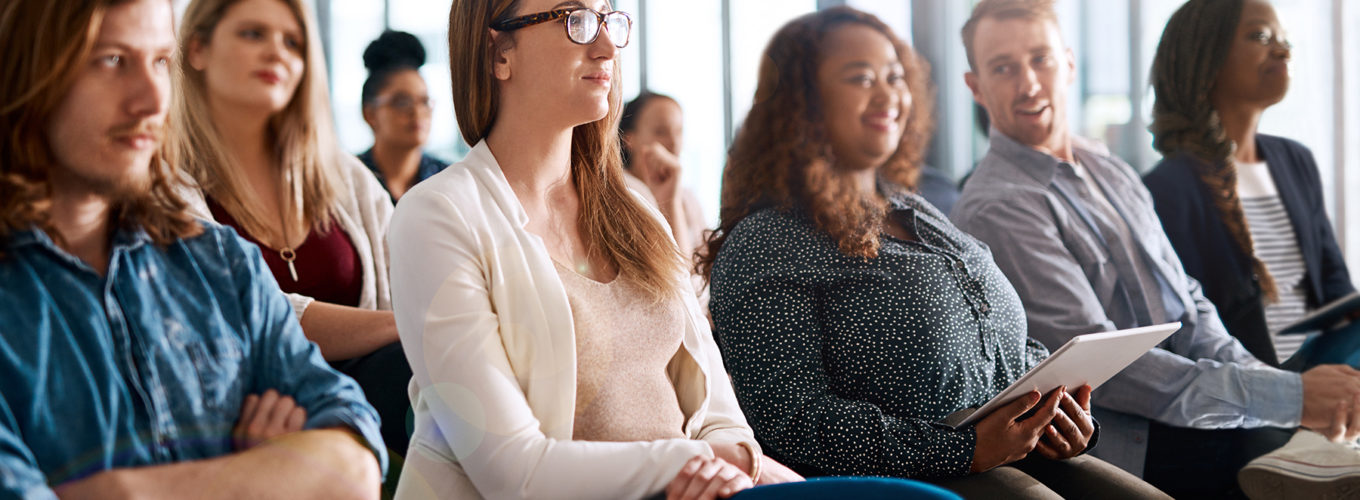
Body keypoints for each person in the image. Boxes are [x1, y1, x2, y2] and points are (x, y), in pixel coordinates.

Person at [386, 1, 957, 499]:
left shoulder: (632, 205)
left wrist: (723, 455)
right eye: (576, 20)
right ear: (497, 54)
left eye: (610, 17)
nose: (608, 43)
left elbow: (716, 406)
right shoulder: (436, 217)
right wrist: (691, 463)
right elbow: (512, 472)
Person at [701, 7, 1167, 499]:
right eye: (861, 78)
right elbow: (788, 420)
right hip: (906, 480)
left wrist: (1058, 411)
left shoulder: (915, 209)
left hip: (1009, 453)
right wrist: (961, 449)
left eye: (895, 76)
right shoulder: (766, 242)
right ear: (802, 104)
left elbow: (1000, 342)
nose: (888, 95)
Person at [949, 0, 1360, 497]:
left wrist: (1274, 388)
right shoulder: (998, 206)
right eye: (1003, 67)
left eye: (1041, 58)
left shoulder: (1110, 170)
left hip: (1196, 414)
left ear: (1070, 63)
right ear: (975, 86)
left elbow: (1191, 306)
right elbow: (1112, 375)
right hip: (1133, 444)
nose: (1029, 83)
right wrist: (1289, 398)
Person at [0, 0, 385, 497]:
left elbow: (355, 466)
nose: (151, 100)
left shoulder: (220, 261)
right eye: (113, 60)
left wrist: (123, 491)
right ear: (28, 71)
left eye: (160, 62)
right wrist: (263, 477)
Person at [167, 0, 411, 464]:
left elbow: (411, 278)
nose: (277, 52)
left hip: (369, 415)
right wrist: (403, 327)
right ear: (197, 48)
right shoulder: (165, 180)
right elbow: (234, 307)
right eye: (254, 34)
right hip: (238, 416)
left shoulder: (346, 176)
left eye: (293, 42)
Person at [1143, 0, 1357, 368]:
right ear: (1206, 57)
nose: (1282, 48)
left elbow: (1335, 289)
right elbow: (1191, 335)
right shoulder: (1168, 189)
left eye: (1284, 38)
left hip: (1325, 389)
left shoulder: (1295, 161)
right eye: (1260, 36)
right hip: (1250, 403)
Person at [358, 30, 449, 203]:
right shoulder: (348, 179)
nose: (417, 112)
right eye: (402, 103)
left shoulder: (448, 180)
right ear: (370, 114)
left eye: (424, 102)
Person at [619, 92, 707, 264]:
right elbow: (676, 272)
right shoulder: (622, 193)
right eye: (661, 132)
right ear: (629, 139)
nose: (674, 142)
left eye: (679, 131)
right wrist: (669, 202)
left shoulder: (688, 196)